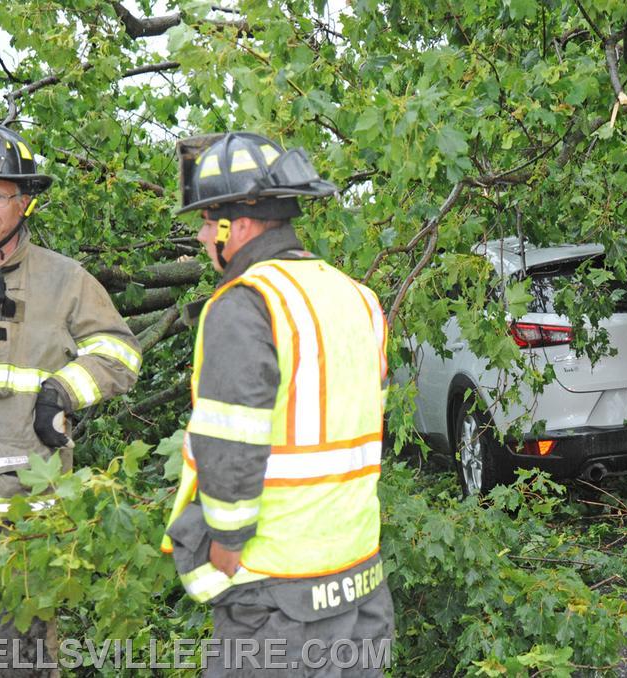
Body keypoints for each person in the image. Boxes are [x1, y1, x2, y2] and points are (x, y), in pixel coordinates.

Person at [162, 132, 393, 676]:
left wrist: (226, 537)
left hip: (277, 598)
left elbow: (231, 445)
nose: (199, 237)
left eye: (204, 222)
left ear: (235, 225)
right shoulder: (357, 297)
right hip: (359, 580)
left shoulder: (245, 304)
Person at [0, 124, 142, 673]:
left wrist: (63, 391)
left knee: (11, 667)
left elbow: (121, 354)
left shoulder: (66, 280)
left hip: (21, 524)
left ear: (24, 202)